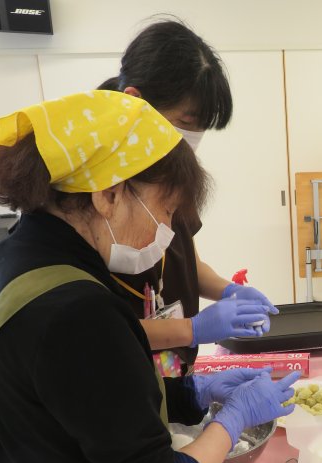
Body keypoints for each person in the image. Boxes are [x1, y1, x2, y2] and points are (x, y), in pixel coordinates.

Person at [0, 91, 298, 463]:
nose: (168, 232)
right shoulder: (77, 310)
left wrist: (193, 394)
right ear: (108, 194)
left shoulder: (27, 252)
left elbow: (87, 397)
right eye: (165, 210)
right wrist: (233, 419)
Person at [98, 18, 277, 370]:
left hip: (170, 370)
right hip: (121, 371)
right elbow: (98, 332)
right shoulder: (94, 185)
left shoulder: (170, 170)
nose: (192, 140)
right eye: (186, 121)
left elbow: (186, 261)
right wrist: (193, 329)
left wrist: (229, 291)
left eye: (202, 127)